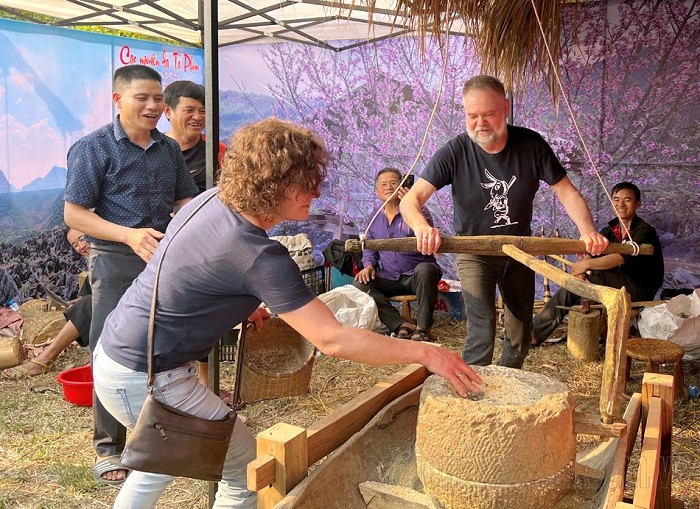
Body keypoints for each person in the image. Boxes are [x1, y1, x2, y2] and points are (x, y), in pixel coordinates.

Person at [91, 117, 483, 509]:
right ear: (272, 183)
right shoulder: (257, 255)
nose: (315, 191)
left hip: (118, 352)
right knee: (247, 474)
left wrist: (244, 303)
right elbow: (332, 339)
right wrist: (427, 353)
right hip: (146, 374)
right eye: (305, 182)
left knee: (156, 466)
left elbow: (193, 271)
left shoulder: (211, 199)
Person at [400, 74, 609, 368]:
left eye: (488, 114)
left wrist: (587, 231)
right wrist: (422, 227)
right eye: (472, 116)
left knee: (520, 336)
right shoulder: (455, 151)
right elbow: (411, 199)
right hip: (475, 252)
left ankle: (507, 385)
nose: (480, 123)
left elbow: (567, 191)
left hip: (519, 251)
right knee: (482, 333)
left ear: (505, 108)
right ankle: (474, 397)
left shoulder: (531, 144)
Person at [64, 64, 199, 485]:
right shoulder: (93, 147)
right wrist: (129, 235)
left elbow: (182, 201)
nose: (153, 106)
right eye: (142, 97)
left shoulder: (169, 150)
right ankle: (109, 448)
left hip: (163, 256)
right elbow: (75, 213)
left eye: (158, 98)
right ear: (118, 99)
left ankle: (161, 433)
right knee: (110, 348)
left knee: (166, 343)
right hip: (115, 259)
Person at [531, 182, 664, 345]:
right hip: (613, 283)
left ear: (638, 204)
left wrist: (586, 266)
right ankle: (534, 334)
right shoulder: (612, 229)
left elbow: (620, 257)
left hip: (637, 289)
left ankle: (590, 337)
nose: (621, 204)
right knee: (573, 285)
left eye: (627, 200)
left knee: (593, 274)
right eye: (616, 199)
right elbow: (592, 252)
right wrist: (582, 267)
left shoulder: (644, 230)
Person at [163, 79, 228, 390]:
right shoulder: (156, 150)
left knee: (202, 311)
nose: (197, 117)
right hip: (158, 242)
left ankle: (205, 381)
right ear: (168, 112)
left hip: (205, 240)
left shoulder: (216, 149)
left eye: (203, 111)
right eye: (189, 109)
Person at [353, 168, 442, 341]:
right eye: (383, 185)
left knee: (425, 269)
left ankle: (423, 329)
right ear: (377, 190)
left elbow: (427, 232)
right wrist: (369, 265)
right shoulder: (374, 217)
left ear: (402, 185)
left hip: (416, 277)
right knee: (360, 283)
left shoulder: (417, 211)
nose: (388, 187)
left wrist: (411, 203)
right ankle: (401, 324)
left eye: (393, 183)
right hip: (391, 277)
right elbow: (369, 246)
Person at [2, 228, 92, 380]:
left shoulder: (113, 257)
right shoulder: (96, 262)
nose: (80, 247)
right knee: (84, 303)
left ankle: (43, 360)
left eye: (82, 239)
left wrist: (85, 303)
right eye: (75, 245)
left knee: (88, 305)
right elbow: (91, 291)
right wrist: (75, 302)